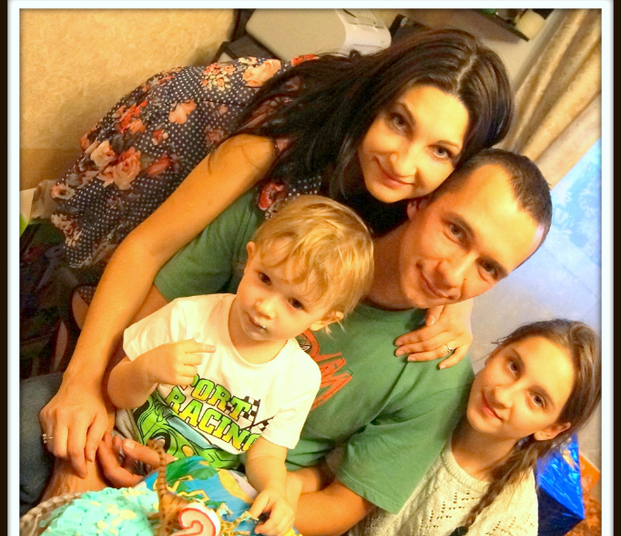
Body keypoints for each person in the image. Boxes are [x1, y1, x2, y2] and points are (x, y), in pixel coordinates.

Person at [28, 27, 514, 503]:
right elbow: (147, 248)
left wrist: (460, 303)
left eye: (440, 151)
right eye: (399, 122)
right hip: (173, 144)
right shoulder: (280, 139)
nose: (404, 163)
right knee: (82, 303)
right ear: (376, 101)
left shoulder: (392, 191)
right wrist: (85, 388)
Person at [89, 149, 554, 536]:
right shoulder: (289, 227)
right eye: (455, 231)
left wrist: (223, 505)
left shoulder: (438, 378)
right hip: (115, 425)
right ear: (422, 200)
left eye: (488, 269)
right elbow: (132, 336)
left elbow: (341, 506)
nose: (452, 275)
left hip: (226, 511)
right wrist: (89, 436)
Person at [319, 319, 601, 536]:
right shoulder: (427, 394)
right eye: (513, 366)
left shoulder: (513, 531)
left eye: (537, 399)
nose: (502, 395)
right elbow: (327, 469)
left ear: (552, 428)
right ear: (497, 349)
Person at [107, 196, 374, 536]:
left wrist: (275, 489)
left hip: (192, 494)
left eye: (295, 303)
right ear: (250, 258)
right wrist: (145, 370)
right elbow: (116, 392)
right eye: (265, 279)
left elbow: (265, 455)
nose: (265, 307)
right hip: (119, 451)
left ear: (324, 319)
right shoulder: (187, 317)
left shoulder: (299, 378)